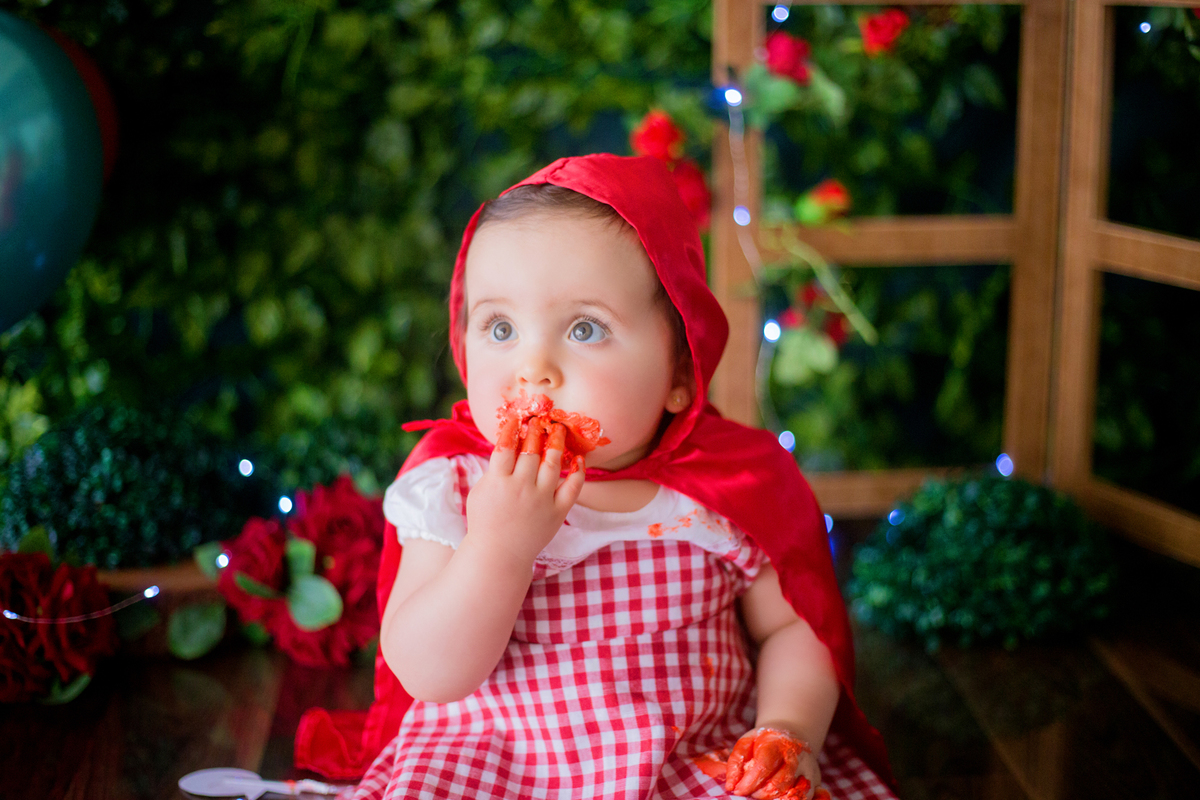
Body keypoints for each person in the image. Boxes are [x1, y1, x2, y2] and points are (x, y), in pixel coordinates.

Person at [318, 154, 896, 799]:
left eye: (585, 328)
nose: (532, 369)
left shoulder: (726, 492)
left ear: (681, 372)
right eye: (500, 327)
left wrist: (787, 727)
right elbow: (428, 674)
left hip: (688, 763)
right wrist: (499, 544)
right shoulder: (454, 485)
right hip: (490, 767)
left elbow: (794, 627)